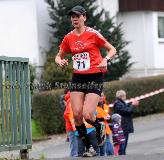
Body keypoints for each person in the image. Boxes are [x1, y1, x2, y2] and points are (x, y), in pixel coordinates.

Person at [55, 5, 117, 156]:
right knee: (76, 115)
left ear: (84, 17)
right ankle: (89, 147)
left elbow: (112, 49)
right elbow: (58, 56)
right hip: (78, 77)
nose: (74, 18)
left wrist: (105, 59)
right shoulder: (68, 37)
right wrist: (60, 61)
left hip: (94, 76)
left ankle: (99, 126)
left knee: (88, 114)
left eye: (77, 16)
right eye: (72, 16)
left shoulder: (93, 34)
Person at [113, 90, 139, 155]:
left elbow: (127, 108)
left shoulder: (121, 103)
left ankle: (123, 152)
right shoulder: (118, 104)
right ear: (122, 96)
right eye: (125, 96)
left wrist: (131, 104)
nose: (125, 97)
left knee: (124, 140)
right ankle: (122, 153)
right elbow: (128, 111)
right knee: (122, 141)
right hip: (123, 125)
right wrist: (132, 105)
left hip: (125, 125)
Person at [63, 91, 79, 157]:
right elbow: (67, 114)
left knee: (76, 147)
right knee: (74, 149)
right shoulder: (71, 101)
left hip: (74, 127)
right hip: (72, 128)